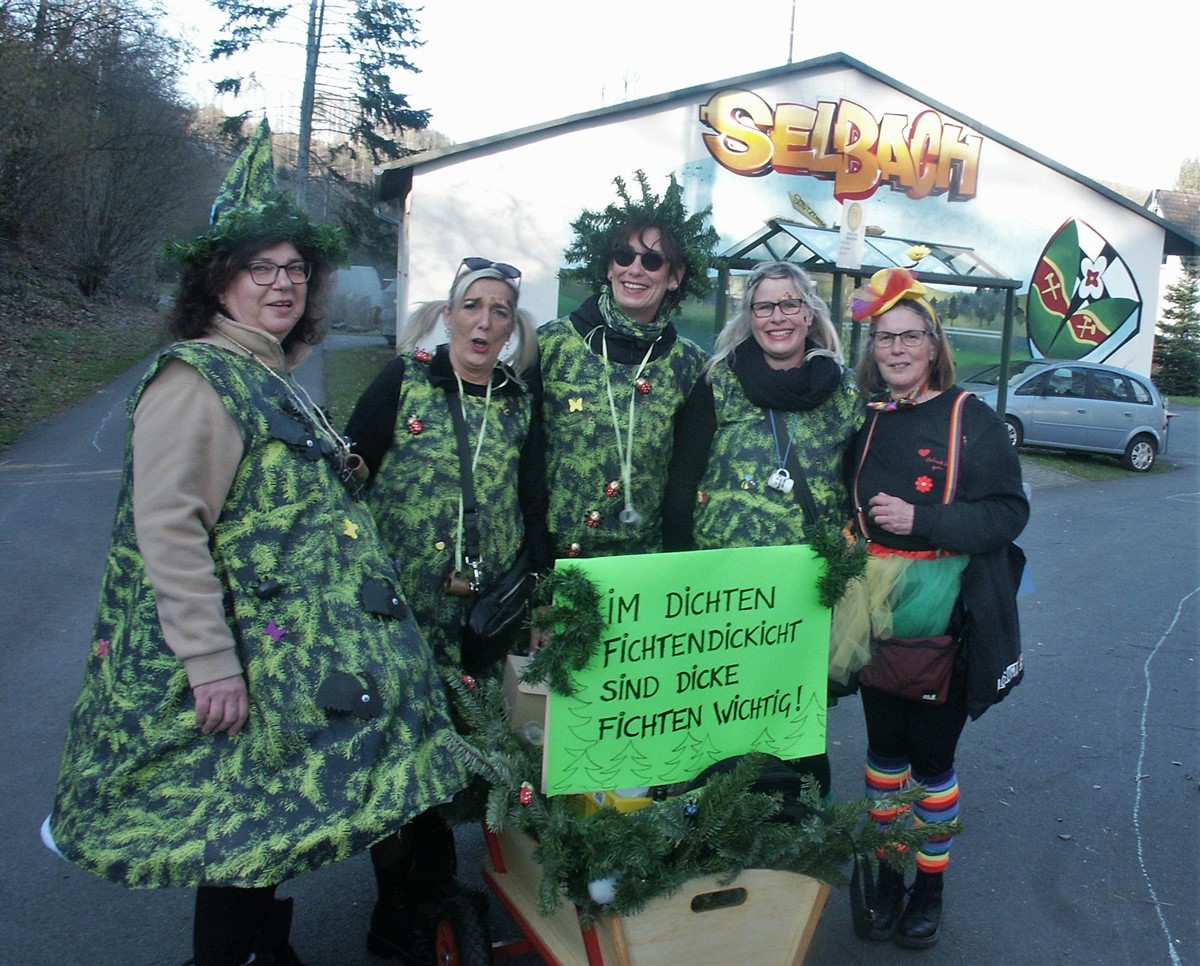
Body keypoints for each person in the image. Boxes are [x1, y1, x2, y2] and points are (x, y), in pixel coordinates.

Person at [44, 180, 470, 965]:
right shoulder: (196, 380)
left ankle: (351, 925)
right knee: (241, 822)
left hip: (290, 659)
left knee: (269, 816)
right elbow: (169, 527)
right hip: (246, 658)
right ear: (218, 282)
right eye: (259, 268)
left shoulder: (268, 373)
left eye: (295, 269)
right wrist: (210, 661)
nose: (282, 283)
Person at [835, 267, 1028, 950]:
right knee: (882, 753)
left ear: (933, 344)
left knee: (932, 760)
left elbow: (1008, 514)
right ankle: (888, 874)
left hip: (947, 620)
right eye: (885, 337)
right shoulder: (869, 417)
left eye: (910, 336)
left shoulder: (969, 418)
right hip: (870, 612)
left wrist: (924, 519)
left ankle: (930, 887)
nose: (896, 348)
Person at [662, 260, 865, 798]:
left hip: (803, 594)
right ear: (749, 316)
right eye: (764, 306)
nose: (778, 317)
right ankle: (709, 825)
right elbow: (683, 480)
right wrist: (680, 572)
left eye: (789, 304)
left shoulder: (844, 392)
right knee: (718, 712)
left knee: (794, 720)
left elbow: (856, 485)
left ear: (809, 312)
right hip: (722, 591)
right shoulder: (720, 382)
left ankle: (792, 832)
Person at [344, 256, 547, 673]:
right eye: (471, 306)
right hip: (395, 606)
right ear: (448, 315)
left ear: (510, 329)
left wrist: (542, 596)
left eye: (499, 311)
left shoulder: (520, 404)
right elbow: (346, 479)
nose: (484, 322)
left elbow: (533, 503)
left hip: (481, 615)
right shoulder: (403, 381)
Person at [536, 171, 717, 560]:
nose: (635, 269)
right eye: (624, 256)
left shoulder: (688, 365)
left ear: (674, 277)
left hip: (639, 567)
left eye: (652, 260)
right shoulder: (551, 343)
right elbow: (524, 456)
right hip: (554, 559)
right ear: (608, 266)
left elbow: (685, 476)